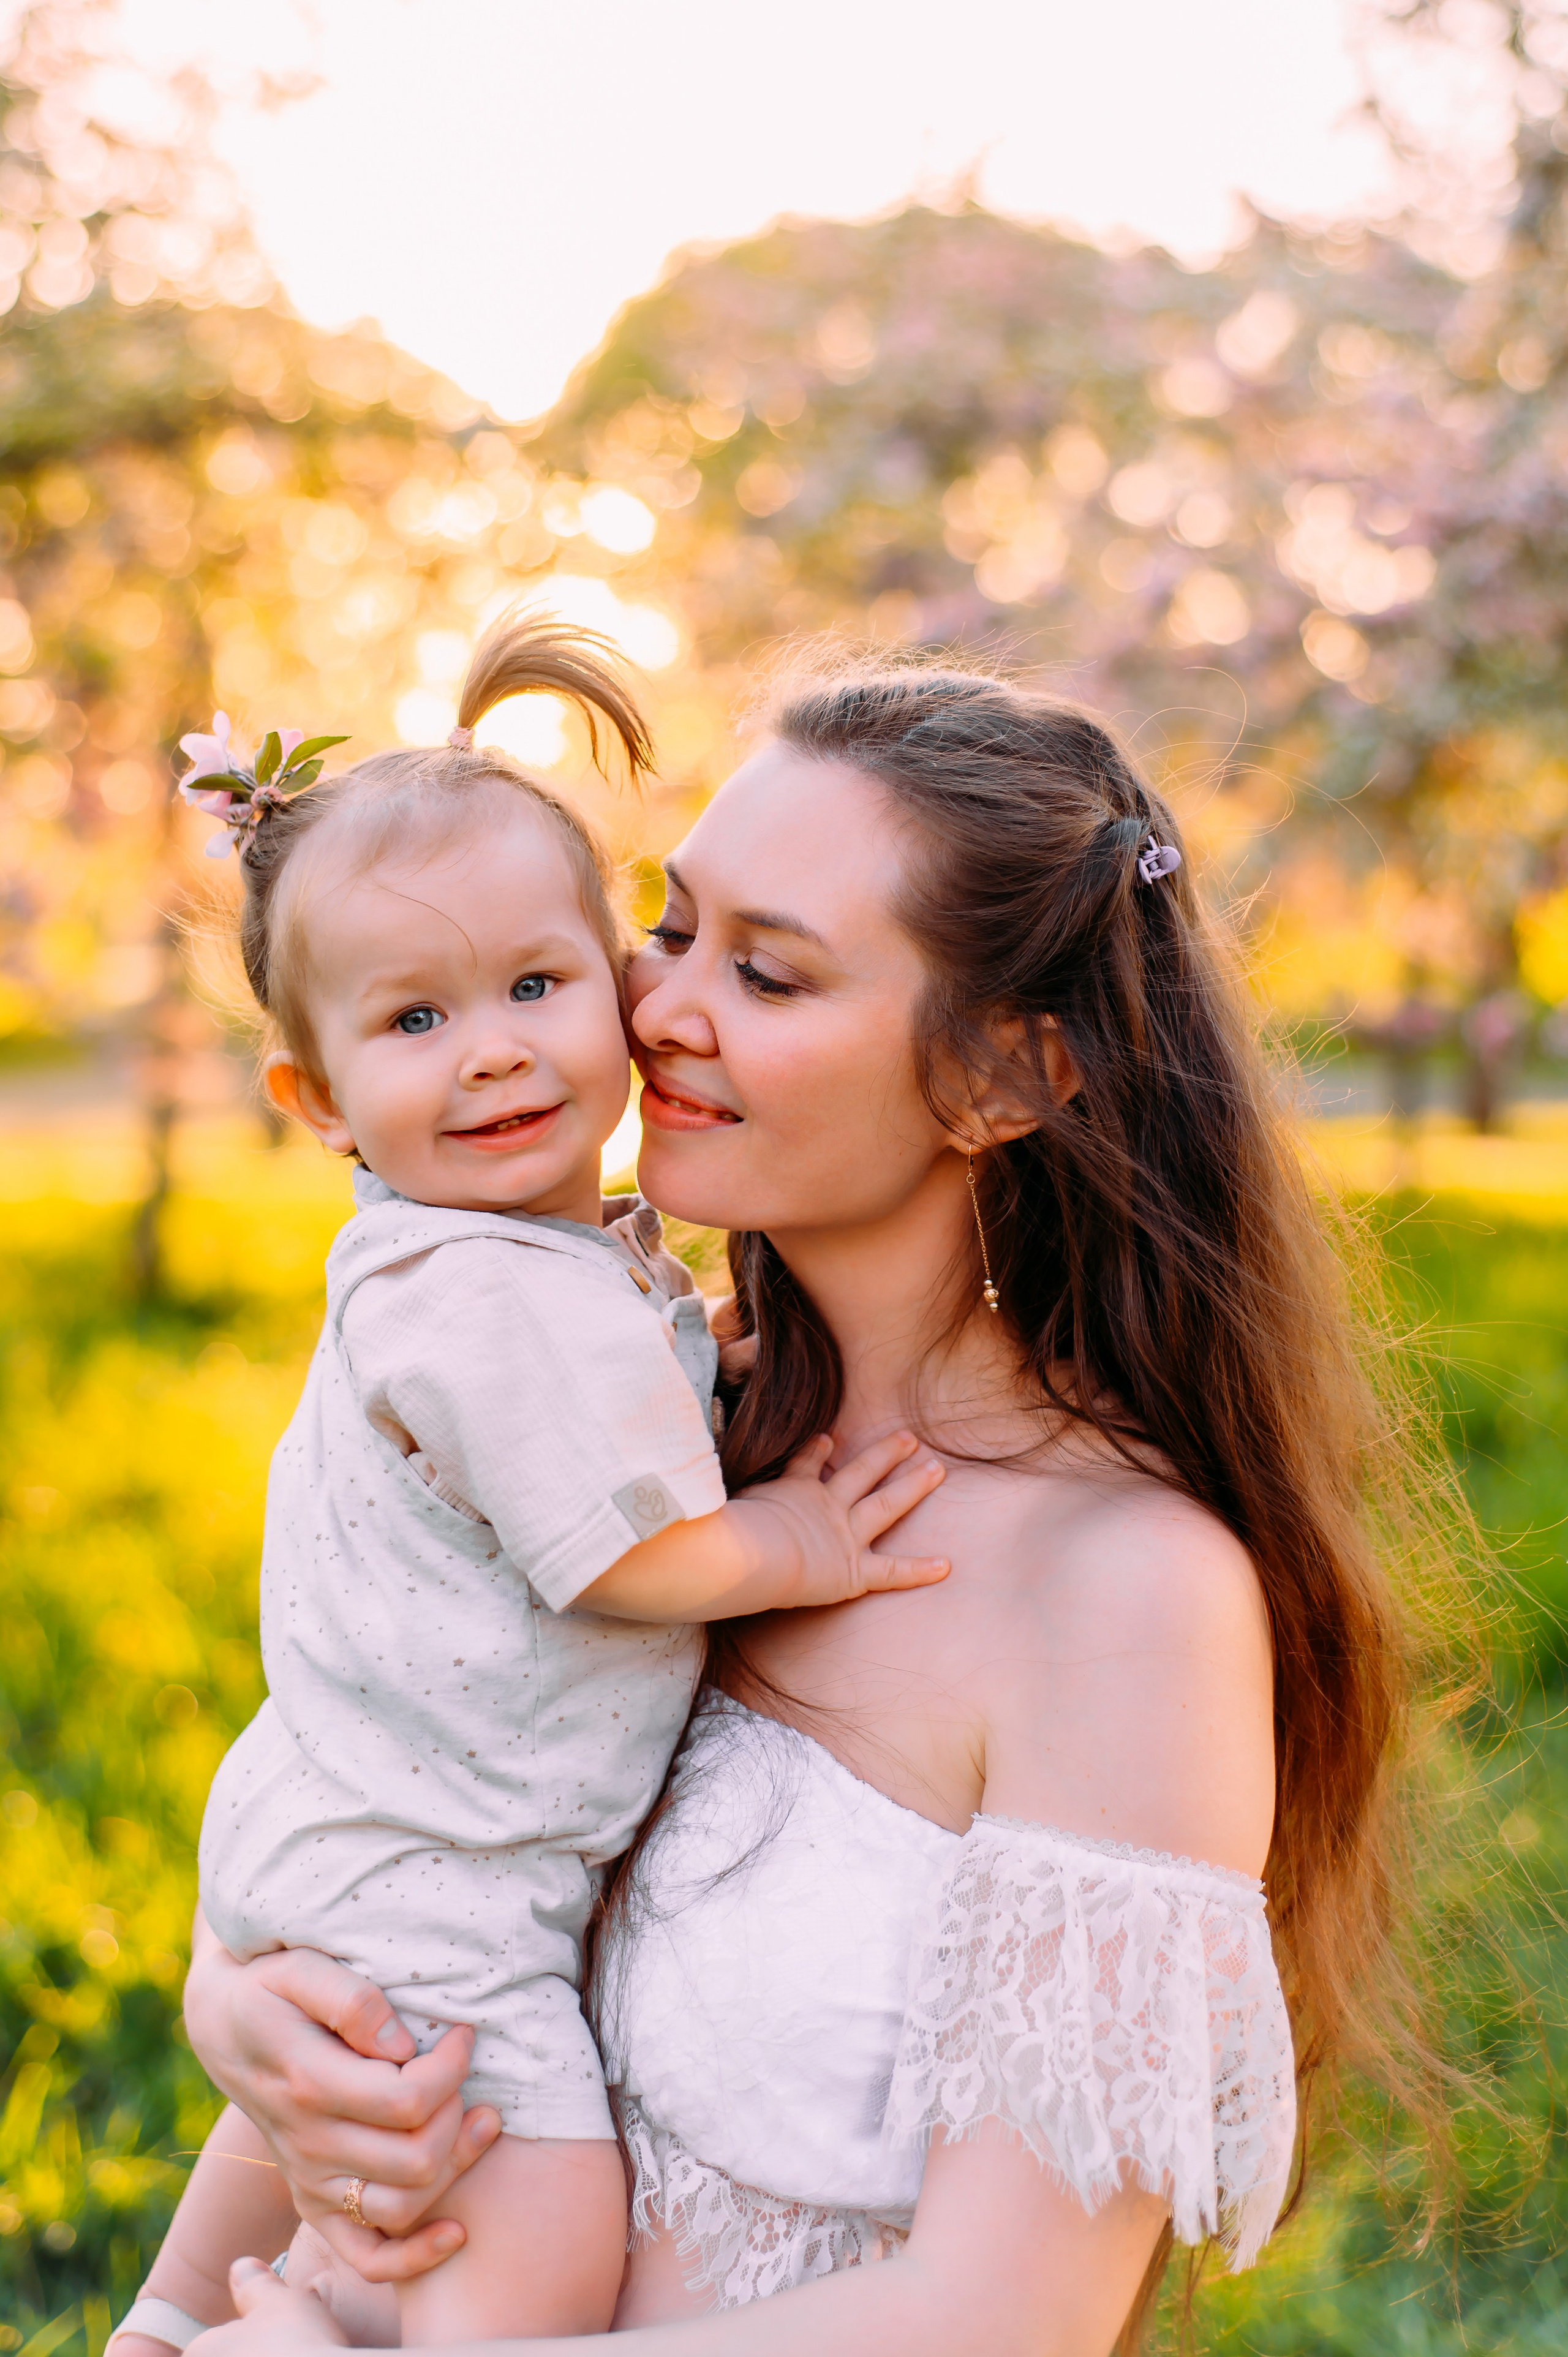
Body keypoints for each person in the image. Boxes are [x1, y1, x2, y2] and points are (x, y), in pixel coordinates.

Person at [176, 656, 1447, 2357]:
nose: (663, 1009)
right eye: (671, 928)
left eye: (766, 974)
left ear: (1005, 1080)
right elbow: (409, 1848)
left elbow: (1007, 2318)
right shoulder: (634, 1436)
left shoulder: (1124, 1593)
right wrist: (239, 2008)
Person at [108, 620, 952, 2355]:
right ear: (317, 1100)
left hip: (383, 1849)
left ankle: (254, 2313)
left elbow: (630, 1378)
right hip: (434, 1881)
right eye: (416, 1020)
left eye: (537, 987)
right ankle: (309, 2322)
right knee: (537, 2238)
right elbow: (619, 1559)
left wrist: (714, 1349)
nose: (492, 1051)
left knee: (391, 2186)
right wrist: (787, 1538)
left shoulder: (535, 1259)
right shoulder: (480, 1291)